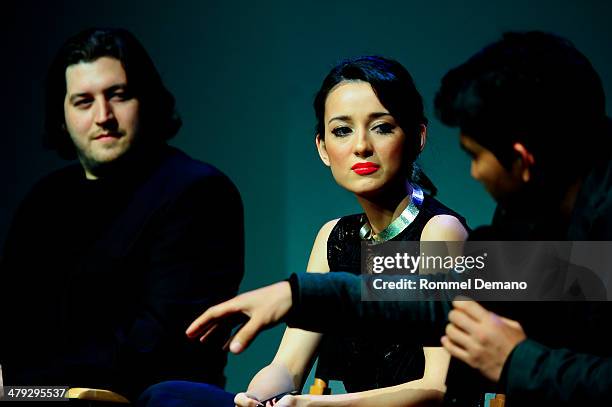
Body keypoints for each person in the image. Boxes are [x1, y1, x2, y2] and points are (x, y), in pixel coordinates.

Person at [188, 32, 612, 406]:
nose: (473, 174)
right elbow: (431, 295)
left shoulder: (592, 241)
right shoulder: (538, 234)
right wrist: (302, 296)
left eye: (476, 156)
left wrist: (519, 361)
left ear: (522, 159)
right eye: (340, 130)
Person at [0, 28, 244, 401]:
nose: (104, 116)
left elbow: (160, 345)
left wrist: (30, 383)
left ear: (145, 100)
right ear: (62, 116)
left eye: (118, 95)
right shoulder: (43, 200)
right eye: (83, 101)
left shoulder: (197, 191)